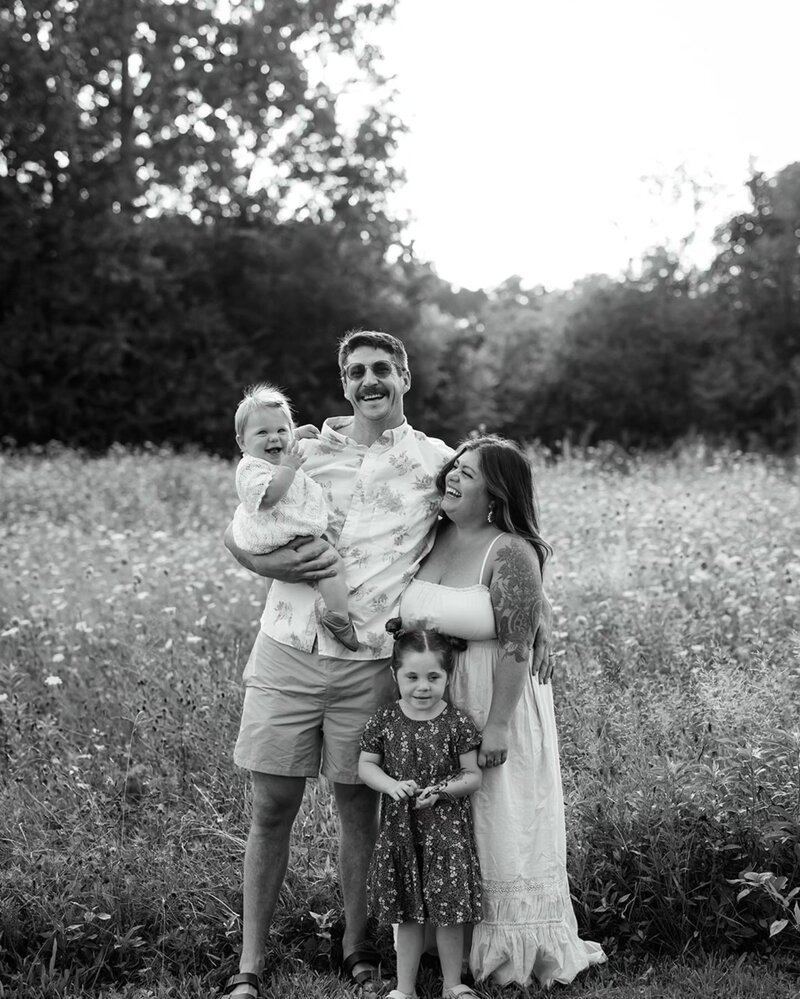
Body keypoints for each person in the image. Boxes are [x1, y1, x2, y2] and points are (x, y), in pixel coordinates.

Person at [221, 331, 548, 999]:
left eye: (382, 369)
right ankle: (250, 964)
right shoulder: (305, 446)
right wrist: (251, 557)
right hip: (287, 647)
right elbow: (243, 518)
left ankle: (357, 948)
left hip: (372, 662)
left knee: (358, 807)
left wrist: (540, 611)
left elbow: (496, 526)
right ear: (343, 383)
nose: (370, 380)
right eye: (356, 371)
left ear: (404, 377)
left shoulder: (434, 461)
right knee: (272, 803)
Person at [399, 434, 606, 989]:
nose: (453, 478)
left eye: (468, 473)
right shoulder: (433, 535)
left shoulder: (508, 550)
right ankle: (447, 946)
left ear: (496, 491)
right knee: (447, 821)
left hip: (496, 697)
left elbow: (518, 646)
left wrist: (495, 725)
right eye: (454, 467)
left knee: (498, 817)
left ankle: (510, 944)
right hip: (438, 701)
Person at [358, 621, 483, 999]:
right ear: (395, 674)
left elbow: (472, 775)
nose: (423, 686)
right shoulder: (385, 719)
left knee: (448, 913)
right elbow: (366, 766)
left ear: (448, 675)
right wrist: (391, 785)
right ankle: (405, 988)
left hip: (446, 836)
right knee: (408, 914)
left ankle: (453, 984)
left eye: (433, 676)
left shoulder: (456, 722)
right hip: (402, 833)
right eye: (411, 676)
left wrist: (441, 792)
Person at [231, 382, 358, 651]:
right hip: (277, 534)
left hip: (277, 535)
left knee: (276, 584)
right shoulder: (249, 468)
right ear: (242, 442)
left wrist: (295, 435)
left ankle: (275, 614)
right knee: (330, 560)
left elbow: (279, 448)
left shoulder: (268, 455)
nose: (274, 438)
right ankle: (338, 616)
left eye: (281, 430)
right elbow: (268, 497)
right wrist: (288, 468)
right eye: (262, 432)